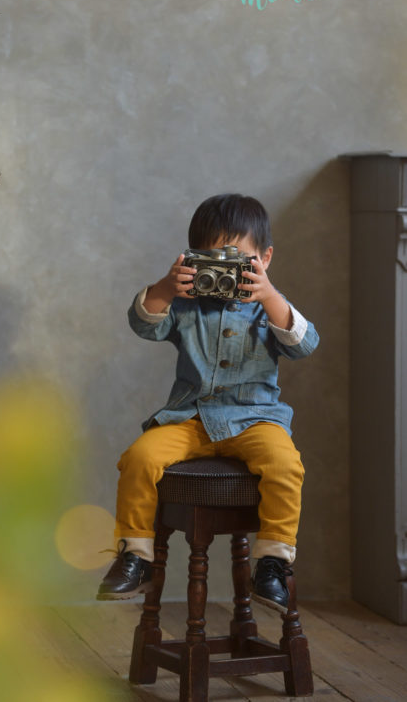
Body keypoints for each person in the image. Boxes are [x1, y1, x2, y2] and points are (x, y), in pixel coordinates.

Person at [97, 193, 319, 612]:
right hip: (189, 417)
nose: (225, 272)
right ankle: (136, 557)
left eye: (238, 261)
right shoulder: (185, 304)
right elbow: (143, 324)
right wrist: (166, 287)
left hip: (255, 418)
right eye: (212, 261)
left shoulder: (268, 306)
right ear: (193, 259)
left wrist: (269, 295)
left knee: (286, 464)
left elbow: (304, 343)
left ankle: (273, 562)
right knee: (140, 457)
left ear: (265, 259)